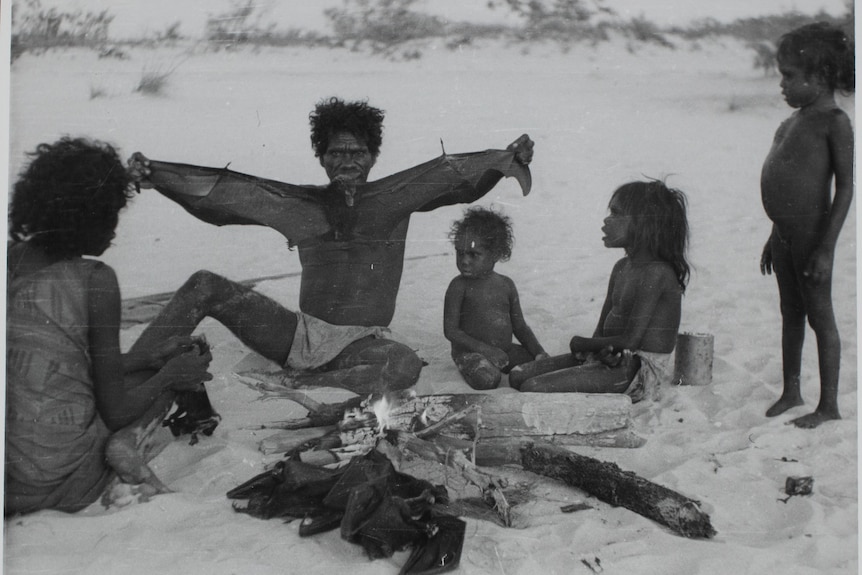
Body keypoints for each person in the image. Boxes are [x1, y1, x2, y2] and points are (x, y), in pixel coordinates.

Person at [7, 137, 327, 514]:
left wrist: (142, 356)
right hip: (63, 483)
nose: (114, 229)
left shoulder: (12, 261)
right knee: (173, 374)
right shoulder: (94, 279)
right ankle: (125, 445)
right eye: (112, 213)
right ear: (89, 215)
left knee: (145, 363)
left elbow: (55, 363)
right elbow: (116, 410)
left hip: (11, 485)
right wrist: (169, 374)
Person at [127, 97, 534, 393]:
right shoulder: (300, 206)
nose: (347, 162)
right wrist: (158, 176)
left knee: (404, 365)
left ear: (374, 157)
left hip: (362, 344)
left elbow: (460, 186)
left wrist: (508, 160)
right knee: (204, 285)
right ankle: (128, 372)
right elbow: (224, 198)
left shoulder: (397, 198)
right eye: (336, 153)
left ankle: (308, 380)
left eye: (357, 153)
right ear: (321, 158)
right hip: (300, 335)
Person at [509, 181, 690, 403]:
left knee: (532, 387)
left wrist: (582, 344)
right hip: (613, 357)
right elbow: (601, 333)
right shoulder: (621, 268)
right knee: (517, 376)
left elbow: (632, 340)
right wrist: (600, 350)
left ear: (644, 224)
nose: (606, 220)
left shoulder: (656, 272)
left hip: (638, 370)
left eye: (616, 213)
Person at [759, 23, 854, 428]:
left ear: (821, 77)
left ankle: (828, 405)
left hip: (812, 236)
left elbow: (846, 189)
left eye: (789, 76)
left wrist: (826, 247)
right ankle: (791, 390)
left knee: (820, 316)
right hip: (783, 234)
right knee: (790, 312)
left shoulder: (833, 121)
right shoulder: (795, 118)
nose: (782, 85)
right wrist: (772, 233)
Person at [443, 206, 548, 390]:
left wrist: (539, 352)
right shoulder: (459, 286)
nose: (464, 260)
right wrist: (485, 350)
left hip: (503, 350)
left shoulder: (506, 285)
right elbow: (451, 331)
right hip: (471, 353)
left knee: (540, 366)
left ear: (497, 254)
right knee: (488, 379)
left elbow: (520, 326)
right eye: (460, 253)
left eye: (474, 254)